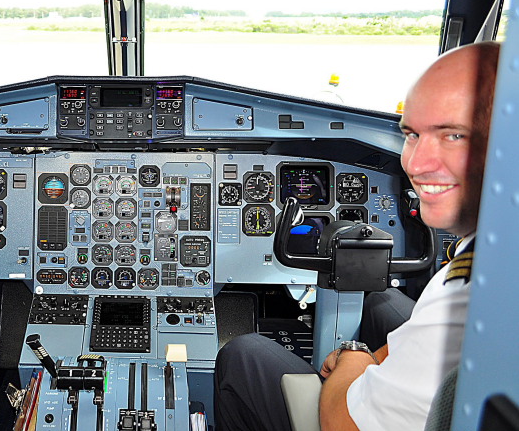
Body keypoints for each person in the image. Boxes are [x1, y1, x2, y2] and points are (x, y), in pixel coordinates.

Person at [214, 41, 500, 431]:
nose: (416, 163)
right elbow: (422, 340)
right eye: (411, 134)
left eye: (453, 136)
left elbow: (342, 424)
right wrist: (367, 355)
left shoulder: (474, 295)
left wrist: (352, 358)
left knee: (243, 353)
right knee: (381, 299)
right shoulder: (487, 250)